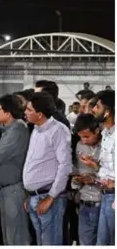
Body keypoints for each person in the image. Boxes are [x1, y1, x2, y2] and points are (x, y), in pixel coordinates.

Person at [0, 94, 31, 245]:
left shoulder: (17, 130)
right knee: (8, 234)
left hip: (13, 190)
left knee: (16, 236)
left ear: (8, 113)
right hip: (5, 190)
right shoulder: (9, 129)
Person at [23, 91, 73, 245]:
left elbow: (65, 166)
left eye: (29, 110)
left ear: (40, 114)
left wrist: (51, 197)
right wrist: (30, 194)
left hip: (49, 198)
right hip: (35, 197)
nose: (25, 112)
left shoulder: (58, 130)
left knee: (50, 243)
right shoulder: (36, 130)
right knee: (41, 242)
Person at [84, 90, 115, 245]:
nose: (93, 110)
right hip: (106, 195)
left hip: (114, 197)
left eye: (97, 106)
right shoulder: (107, 133)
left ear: (107, 111)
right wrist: (95, 166)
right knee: (102, 243)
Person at [71, 114, 102, 245]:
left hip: (103, 203)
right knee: (85, 242)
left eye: (87, 136)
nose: (83, 140)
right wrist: (77, 180)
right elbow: (78, 170)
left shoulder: (107, 146)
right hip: (84, 202)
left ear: (97, 131)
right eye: (81, 137)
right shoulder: (79, 146)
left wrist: (95, 168)